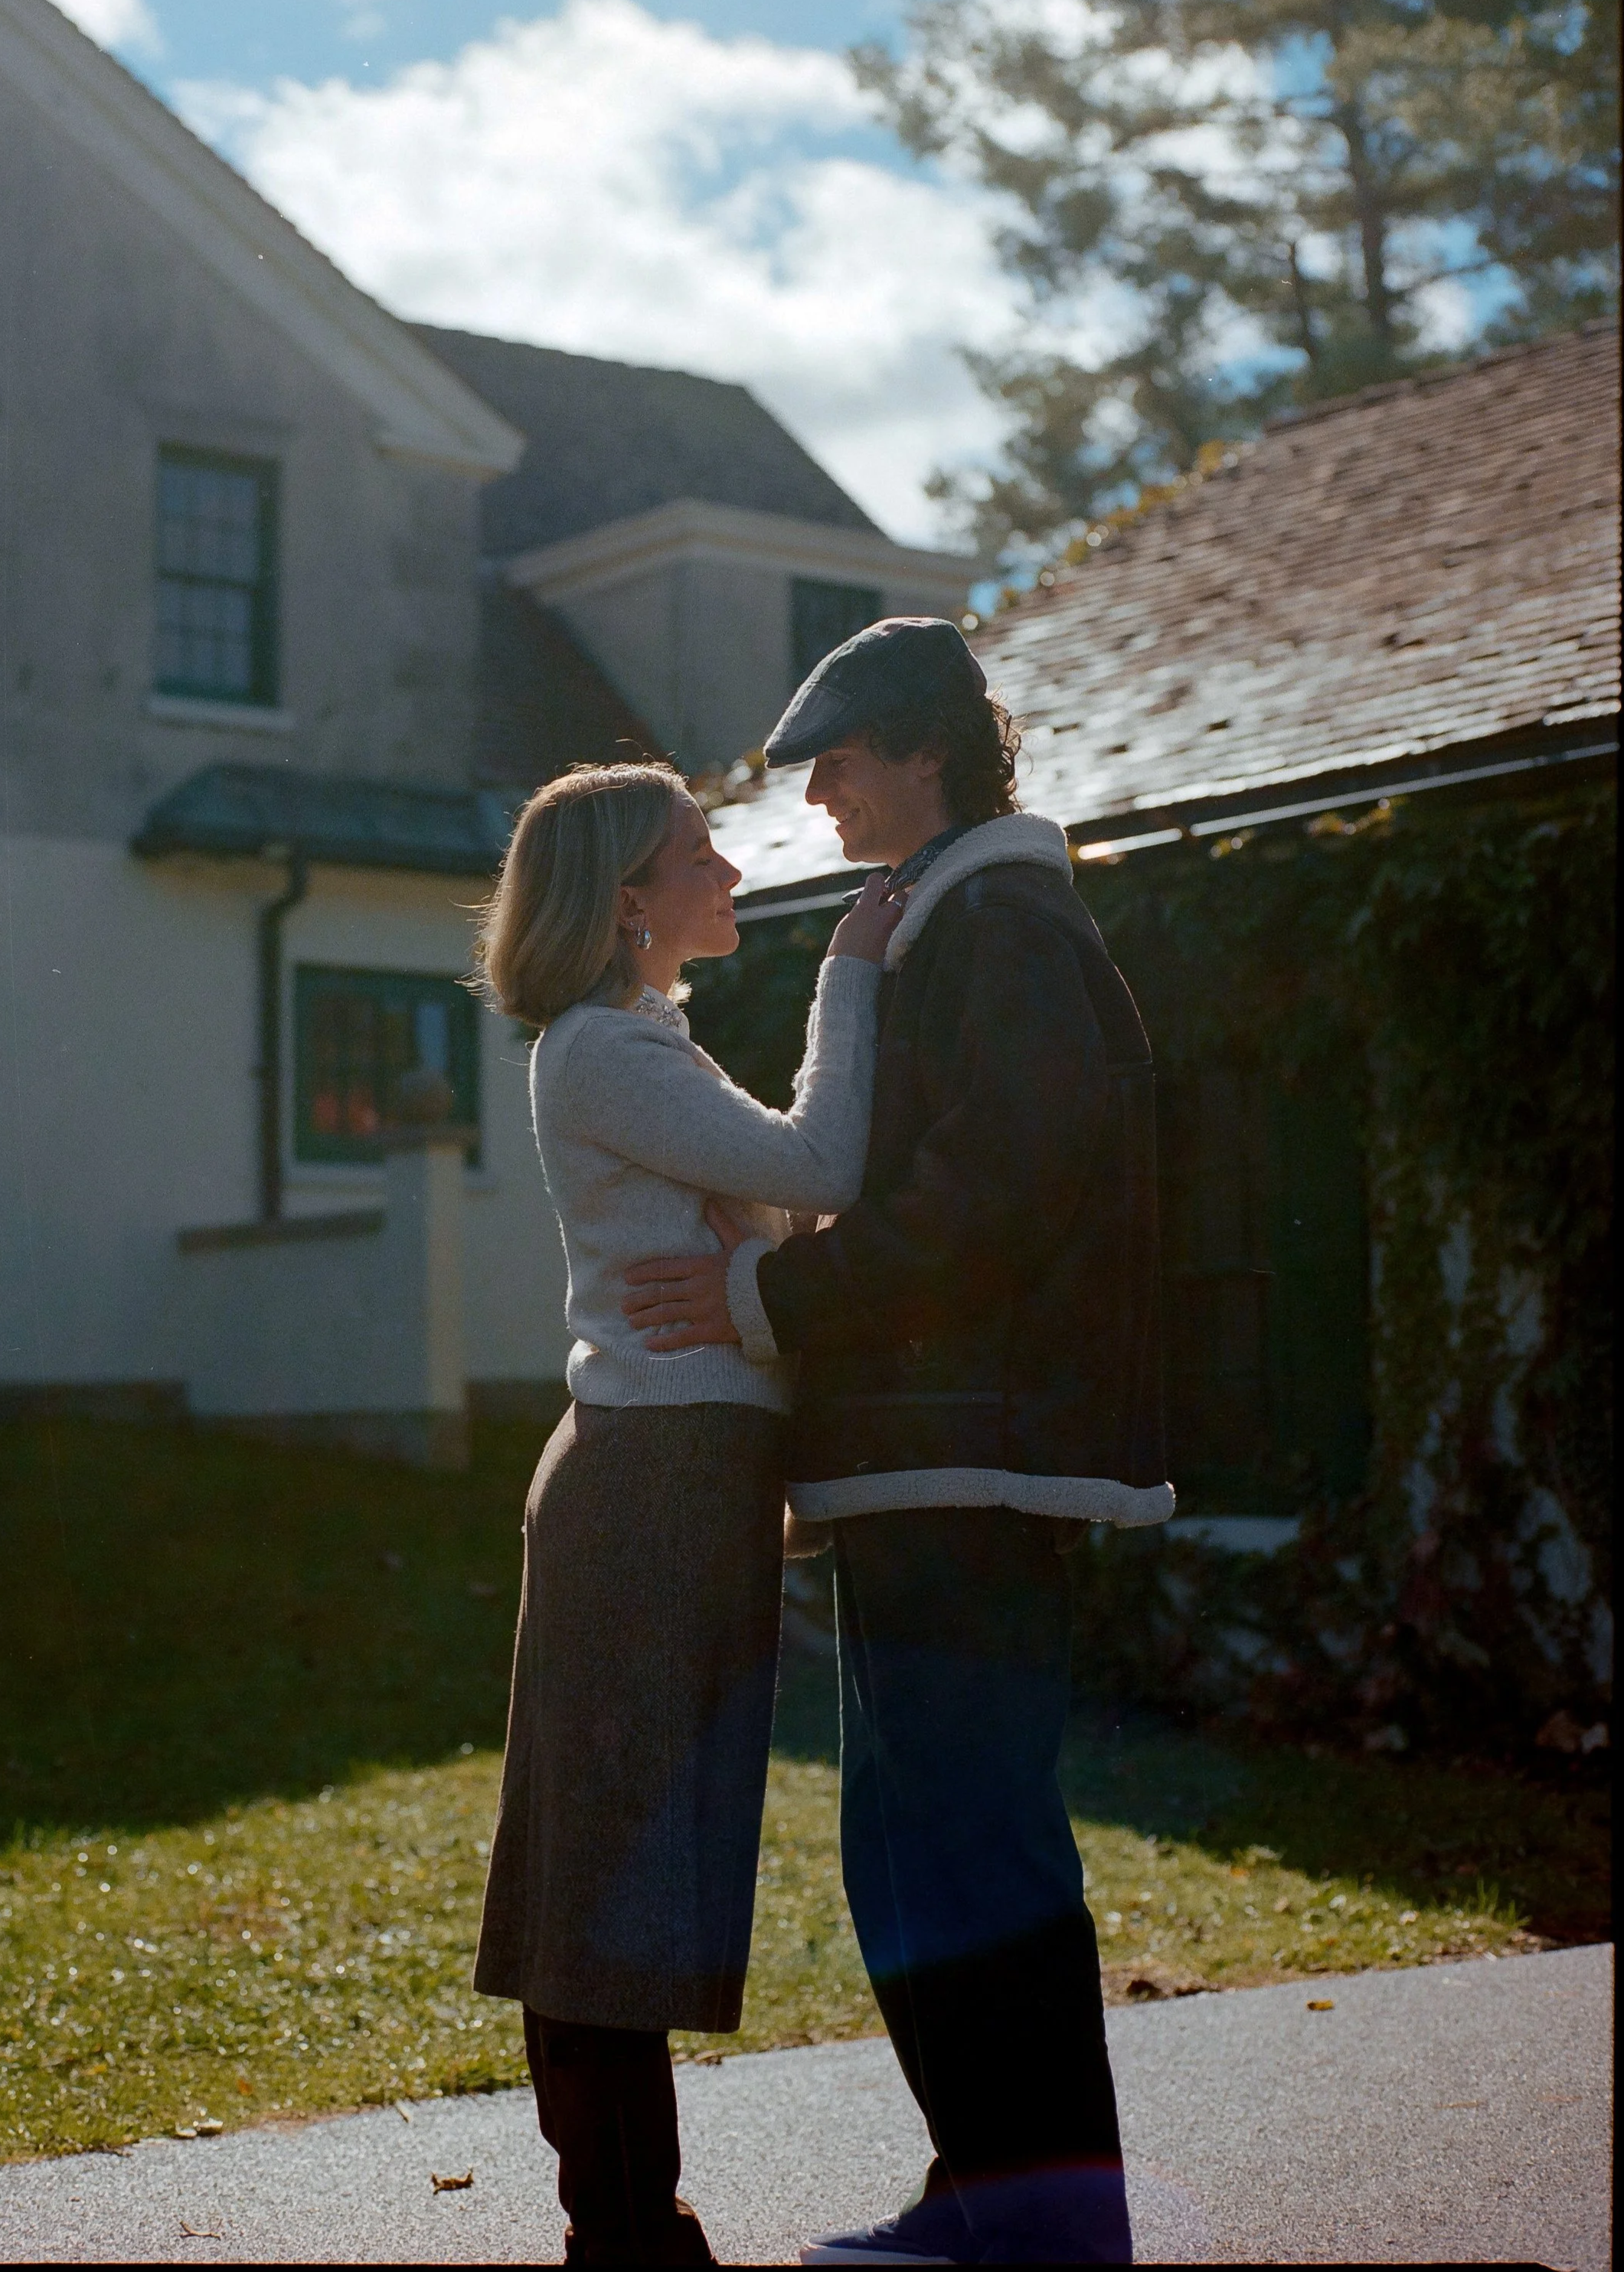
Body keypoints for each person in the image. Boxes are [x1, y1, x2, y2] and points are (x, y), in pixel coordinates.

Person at [621, 620, 1173, 2267]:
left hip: (965, 1464)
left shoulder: (998, 921)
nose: (812, 790)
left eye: (837, 758)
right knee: (922, 1849)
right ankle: (989, 2204)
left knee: (966, 1849)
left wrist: (761, 1293)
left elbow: (989, 1193)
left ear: (926, 750)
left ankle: (1040, 2230)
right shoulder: (954, 918)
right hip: (926, 1464)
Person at [469, 757, 903, 2267]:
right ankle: (624, 2232)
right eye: (696, 851)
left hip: (681, 1484)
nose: (730, 868)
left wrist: (756, 1222)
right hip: (644, 1488)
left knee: (638, 1858)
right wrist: (845, 982)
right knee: (603, 1866)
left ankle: (631, 2225)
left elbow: (787, 1202)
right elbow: (821, 1167)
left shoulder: (644, 1042)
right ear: (629, 898)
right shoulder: (600, 1048)